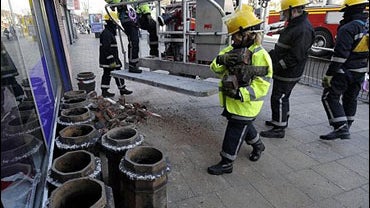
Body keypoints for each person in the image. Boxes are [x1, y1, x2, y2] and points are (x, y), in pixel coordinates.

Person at [207, 4, 273, 175]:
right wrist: (221, 60)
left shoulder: (260, 55)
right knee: (245, 126)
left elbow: (262, 85)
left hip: (246, 104)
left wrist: (241, 93)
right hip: (232, 102)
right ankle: (258, 145)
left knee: (234, 132)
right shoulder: (232, 49)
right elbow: (214, 68)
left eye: (235, 35)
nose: (233, 39)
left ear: (247, 33)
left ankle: (227, 162)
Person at [260, 0, 314, 138]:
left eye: (285, 11)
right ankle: (280, 120)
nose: (283, 14)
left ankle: (279, 128)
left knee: (279, 98)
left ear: (293, 10)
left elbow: (295, 56)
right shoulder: (295, 25)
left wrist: (276, 67)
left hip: (288, 72)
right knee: (283, 97)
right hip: (286, 71)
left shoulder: (303, 29)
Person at [320, 0, 369, 140]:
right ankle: (347, 124)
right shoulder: (366, 25)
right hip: (361, 70)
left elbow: (340, 55)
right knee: (350, 98)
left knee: (329, 97)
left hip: (344, 71)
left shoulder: (348, 28)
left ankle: (341, 127)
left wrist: (329, 74)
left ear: (350, 9)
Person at [105, 0, 160, 73]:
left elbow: (142, 2)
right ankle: (132, 64)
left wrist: (147, 13)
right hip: (126, 15)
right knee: (134, 40)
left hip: (138, 15)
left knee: (153, 26)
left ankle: (154, 52)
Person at [99, 12, 133, 98]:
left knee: (114, 73)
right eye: (115, 22)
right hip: (109, 60)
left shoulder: (109, 32)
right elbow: (106, 48)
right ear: (111, 21)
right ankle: (107, 91)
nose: (116, 24)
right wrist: (111, 60)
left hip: (112, 59)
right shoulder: (107, 33)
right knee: (110, 74)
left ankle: (119, 89)